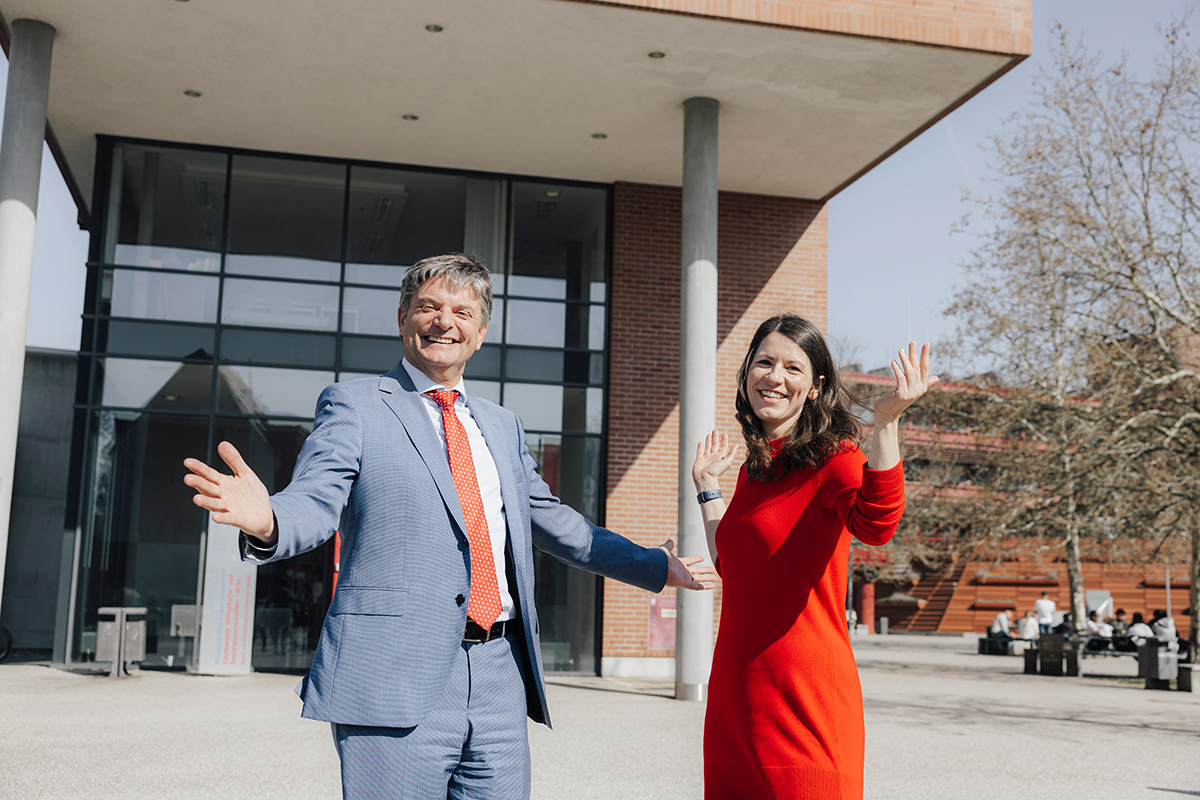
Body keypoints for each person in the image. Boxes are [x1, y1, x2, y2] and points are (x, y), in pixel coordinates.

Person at [183, 254, 717, 799]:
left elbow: (558, 524)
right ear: (402, 318)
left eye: (463, 312)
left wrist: (655, 565)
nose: (445, 322)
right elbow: (316, 502)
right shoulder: (354, 406)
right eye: (429, 307)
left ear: (481, 334)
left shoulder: (502, 426)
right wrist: (270, 520)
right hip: (394, 673)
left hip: (500, 676)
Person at [691, 315, 936, 800]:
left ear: (816, 387)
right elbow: (735, 567)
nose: (774, 377)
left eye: (792, 368)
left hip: (804, 701)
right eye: (764, 362)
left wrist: (885, 422)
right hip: (735, 703)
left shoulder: (835, 459)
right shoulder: (754, 470)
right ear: (747, 372)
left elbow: (877, 525)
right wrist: (707, 488)